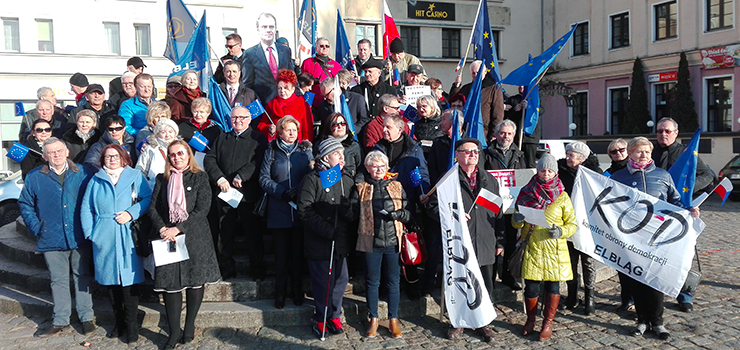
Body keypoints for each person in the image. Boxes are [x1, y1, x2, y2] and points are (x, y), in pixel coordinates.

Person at [611, 136, 700, 340]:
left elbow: (675, 201)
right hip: (630, 238)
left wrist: (689, 211)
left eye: (647, 152)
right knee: (636, 278)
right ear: (630, 153)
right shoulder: (618, 177)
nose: (643, 155)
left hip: (657, 237)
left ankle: (658, 323)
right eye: (639, 152)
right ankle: (642, 320)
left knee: (655, 279)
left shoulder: (662, 175)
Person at [18, 138, 96, 337]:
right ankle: (61, 319)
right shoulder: (35, 177)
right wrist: (37, 227)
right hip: (50, 237)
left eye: (59, 151)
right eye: (51, 152)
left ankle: (86, 317)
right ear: (44, 156)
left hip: (79, 235)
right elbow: (25, 204)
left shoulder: (83, 173)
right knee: (58, 279)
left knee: (82, 276)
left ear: (67, 151)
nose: (56, 155)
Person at [148, 140, 221, 349]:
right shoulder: (162, 179)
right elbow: (153, 208)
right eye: (172, 155)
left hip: (194, 235)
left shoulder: (200, 177)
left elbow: (202, 209)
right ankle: (173, 332)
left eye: (181, 153)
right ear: (168, 158)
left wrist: (178, 228)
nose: (177, 157)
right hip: (167, 238)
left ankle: (189, 327)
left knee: (195, 282)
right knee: (171, 286)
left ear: (188, 155)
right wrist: (163, 228)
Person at [81, 144, 151, 343]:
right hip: (104, 235)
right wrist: (91, 233)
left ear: (123, 157)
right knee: (111, 284)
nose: (112, 159)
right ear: (102, 160)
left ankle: (131, 326)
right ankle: (118, 323)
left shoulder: (135, 176)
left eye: (115, 156)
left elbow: (147, 199)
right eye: (108, 156)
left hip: (128, 235)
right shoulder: (96, 179)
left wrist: (131, 213)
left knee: (129, 284)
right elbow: (86, 207)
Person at [440, 138, 503, 342]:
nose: (472, 155)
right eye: (467, 151)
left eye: (475, 151)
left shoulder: (489, 179)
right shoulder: (448, 180)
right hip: (460, 241)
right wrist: (454, 214)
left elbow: (497, 212)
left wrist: (500, 241)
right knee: (459, 281)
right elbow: (435, 208)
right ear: (457, 154)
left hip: (485, 239)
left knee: (485, 284)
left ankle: (484, 324)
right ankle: (457, 322)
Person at [512, 153, 576, 341]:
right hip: (532, 246)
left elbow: (572, 224)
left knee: (553, 288)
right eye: (542, 170)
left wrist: (561, 232)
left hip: (555, 248)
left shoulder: (562, 196)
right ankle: (531, 320)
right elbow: (518, 221)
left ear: (555, 172)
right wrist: (516, 221)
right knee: (531, 288)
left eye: (549, 170)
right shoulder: (526, 191)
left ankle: (547, 323)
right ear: (537, 171)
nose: (546, 174)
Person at [652, 117, 713, 313]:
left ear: (676, 133)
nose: (663, 134)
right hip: (656, 212)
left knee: (683, 255)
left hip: (681, 212)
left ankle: (684, 295)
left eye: (667, 131)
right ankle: (653, 294)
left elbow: (707, 176)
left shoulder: (686, 153)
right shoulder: (650, 152)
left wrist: (686, 189)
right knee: (654, 254)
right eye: (660, 131)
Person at [297, 138, 354, 338]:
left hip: (339, 242)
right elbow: (304, 210)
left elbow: (352, 210)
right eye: (337, 154)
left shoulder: (346, 180)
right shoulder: (312, 179)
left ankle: (334, 315)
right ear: (325, 157)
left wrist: (348, 210)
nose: (341, 158)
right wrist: (327, 230)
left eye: (342, 154)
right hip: (320, 240)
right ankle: (321, 318)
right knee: (323, 283)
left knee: (341, 279)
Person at [204, 107, 268, 280]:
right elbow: (210, 159)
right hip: (226, 193)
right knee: (225, 233)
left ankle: (257, 270)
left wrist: (243, 175)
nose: (238, 120)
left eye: (242, 117)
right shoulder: (222, 138)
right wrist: (219, 178)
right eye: (234, 117)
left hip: (248, 194)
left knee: (253, 234)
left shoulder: (258, 139)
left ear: (249, 118)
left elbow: (260, 160)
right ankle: (225, 269)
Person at [350, 150, 409, 338]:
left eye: (382, 166)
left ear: (387, 168)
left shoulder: (397, 186)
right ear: (367, 168)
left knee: (393, 281)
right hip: (371, 241)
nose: (378, 169)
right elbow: (351, 213)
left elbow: (408, 213)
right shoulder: (361, 187)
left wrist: (398, 215)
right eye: (374, 166)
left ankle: (393, 319)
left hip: (393, 241)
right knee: (372, 281)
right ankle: (373, 318)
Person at [259, 116, 313, 309]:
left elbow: (311, 175)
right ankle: (280, 293)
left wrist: (299, 191)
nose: (292, 134)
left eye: (294, 130)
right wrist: (282, 192)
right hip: (279, 209)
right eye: (288, 130)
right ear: (280, 132)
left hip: (299, 209)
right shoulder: (271, 152)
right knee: (281, 256)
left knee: (297, 255)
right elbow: (264, 179)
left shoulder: (305, 151)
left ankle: (297, 291)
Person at [557, 141, 602, 315]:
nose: (568, 158)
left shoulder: (594, 174)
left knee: (588, 262)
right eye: (567, 154)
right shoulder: (561, 171)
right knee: (570, 262)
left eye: (572, 155)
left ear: (582, 158)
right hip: (567, 222)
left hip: (588, 225)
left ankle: (590, 298)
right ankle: (572, 296)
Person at [483, 119, 527, 290]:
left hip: (511, 205)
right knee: (493, 242)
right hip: (491, 204)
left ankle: (508, 276)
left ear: (514, 135)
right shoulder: (487, 153)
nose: (506, 136)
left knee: (509, 241)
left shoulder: (520, 154)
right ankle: (490, 277)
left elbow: (524, 177)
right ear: (496, 134)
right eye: (502, 133)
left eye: (509, 134)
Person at [603, 138, 632, 311]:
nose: (618, 153)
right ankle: (626, 298)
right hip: (616, 223)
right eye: (614, 152)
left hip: (635, 222)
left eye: (621, 150)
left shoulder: (635, 170)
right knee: (622, 263)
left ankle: (639, 298)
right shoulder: (607, 174)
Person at [242, 13, 295, 104]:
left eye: (271, 27)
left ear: (275, 29)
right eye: (264, 27)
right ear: (258, 29)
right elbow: (248, 84)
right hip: (264, 106)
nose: (268, 30)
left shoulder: (285, 51)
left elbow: (292, 78)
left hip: (285, 103)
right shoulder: (250, 54)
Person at [449, 61, 505, 142]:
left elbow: (498, 113)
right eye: (473, 73)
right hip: (467, 130)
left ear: (485, 72)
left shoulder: (494, 88)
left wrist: (494, 134)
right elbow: (454, 101)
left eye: (478, 72)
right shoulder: (467, 88)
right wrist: (456, 86)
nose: (476, 75)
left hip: (484, 132)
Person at [258, 69, 314, 142]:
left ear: (293, 89)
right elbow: (261, 126)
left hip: (296, 145)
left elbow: (307, 128)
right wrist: (269, 128)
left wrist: (306, 145)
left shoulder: (302, 103)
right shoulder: (271, 104)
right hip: (277, 145)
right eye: (279, 88)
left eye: (286, 88)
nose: (282, 91)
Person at [314, 113, 362, 178]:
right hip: (328, 181)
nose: (340, 126)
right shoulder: (320, 145)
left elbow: (361, 168)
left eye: (343, 123)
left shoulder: (354, 145)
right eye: (335, 124)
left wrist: (358, 181)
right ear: (329, 126)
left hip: (349, 183)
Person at [135, 119, 179, 187]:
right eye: (163, 132)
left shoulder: (182, 148)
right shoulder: (150, 149)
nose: (167, 135)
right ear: (157, 134)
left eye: (170, 132)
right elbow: (140, 170)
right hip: (153, 188)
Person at [504, 85, 538, 167]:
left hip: (530, 138)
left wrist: (529, 107)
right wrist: (514, 109)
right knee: (516, 162)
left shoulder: (536, 99)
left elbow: (541, 110)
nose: (521, 87)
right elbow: (506, 115)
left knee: (530, 163)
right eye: (520, 85)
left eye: (524, 85)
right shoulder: (513, 99)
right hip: (516, 137)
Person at [300, 38, 341, 102]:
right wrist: (313, 81)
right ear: (316, 48)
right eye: (322, 46)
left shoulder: (336, 65)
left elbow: (340, 82)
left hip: (329, 99)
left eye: (327, 46)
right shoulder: (307, 62)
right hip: (311, 98)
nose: (324, 48)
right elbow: (302, 81)